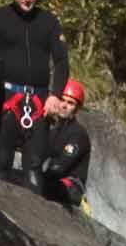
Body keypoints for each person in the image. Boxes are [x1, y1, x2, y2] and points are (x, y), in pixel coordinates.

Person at [0, 0, 69, 193]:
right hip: (6, 101)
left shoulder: (48, 22)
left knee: (33, 170)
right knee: (0, 166)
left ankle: (33, 213)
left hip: (39, 103)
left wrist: (55, 95)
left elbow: (62, 61)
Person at [38, 79, 90, 210]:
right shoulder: (53, 130)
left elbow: (61, 166)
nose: (64, 105)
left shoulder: (78, 134)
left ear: (77, 108)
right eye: (62, 100)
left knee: (39, 184)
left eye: (70, 103)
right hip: (53, 179)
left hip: (71, 186)